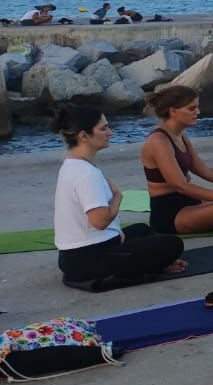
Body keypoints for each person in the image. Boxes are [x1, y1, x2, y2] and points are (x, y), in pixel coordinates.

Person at [51, 105, 186, 286]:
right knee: (173, 244)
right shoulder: (86, 174)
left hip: (72, 258)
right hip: (89, 260)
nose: (110, 133)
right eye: (103, 128)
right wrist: (117, 198)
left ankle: (153, 262)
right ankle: (154, 264)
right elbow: (100, 222)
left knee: (142, 230)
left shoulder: (71, 164)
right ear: (83, 136)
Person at [138, 86, 213, 235]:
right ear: (173, 111)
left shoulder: (181, 135)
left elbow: (205, 171)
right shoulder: (159, 141)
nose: (197, 112)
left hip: (190, 202)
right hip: (171, 214)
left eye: (197, 108)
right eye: (192, 108)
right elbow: (180, 185)